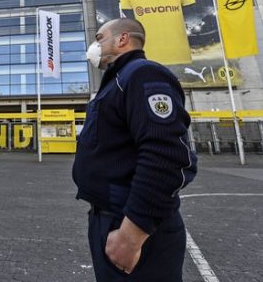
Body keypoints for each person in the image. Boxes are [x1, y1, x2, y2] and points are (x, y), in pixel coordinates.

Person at [72, 18, 197, 282]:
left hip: (132, 225)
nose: (94, 45)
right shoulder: (117, 80)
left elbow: (166, 157)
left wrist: (131, 236)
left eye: (99, 38)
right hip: (109, 218)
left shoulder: (143, 74)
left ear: (122, 39)